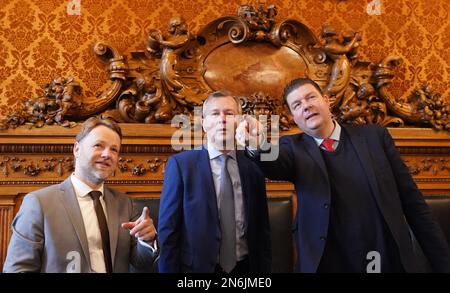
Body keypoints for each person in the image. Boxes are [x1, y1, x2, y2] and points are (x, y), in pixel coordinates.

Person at [236, 78, 450, 273]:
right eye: (297, 105)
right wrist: (257, 144)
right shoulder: (291, 147)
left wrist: (443, 263)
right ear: (294, 118)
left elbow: (413, 203)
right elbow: (274, 163)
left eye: (311, 97)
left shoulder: (375, 137)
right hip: (326, 263)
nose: (306, 106)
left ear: (326, 101)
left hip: (384, 258)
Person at [3, 117, 158, 273]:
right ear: (77, 149)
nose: (107, 154)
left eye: (114, 149)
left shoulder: (125, 204)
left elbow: (141, 263)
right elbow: (18, 269)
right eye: (99, 145)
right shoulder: (39, 203)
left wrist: (147, 241)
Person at [158, 91, 271, 273]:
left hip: (246, 268)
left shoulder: (253, 166)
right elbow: (168, 232)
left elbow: (262, 231)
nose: (222, 119)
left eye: (229, 113)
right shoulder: (181, 166)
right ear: (204, 123)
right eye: (215, 113)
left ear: (239, 121)